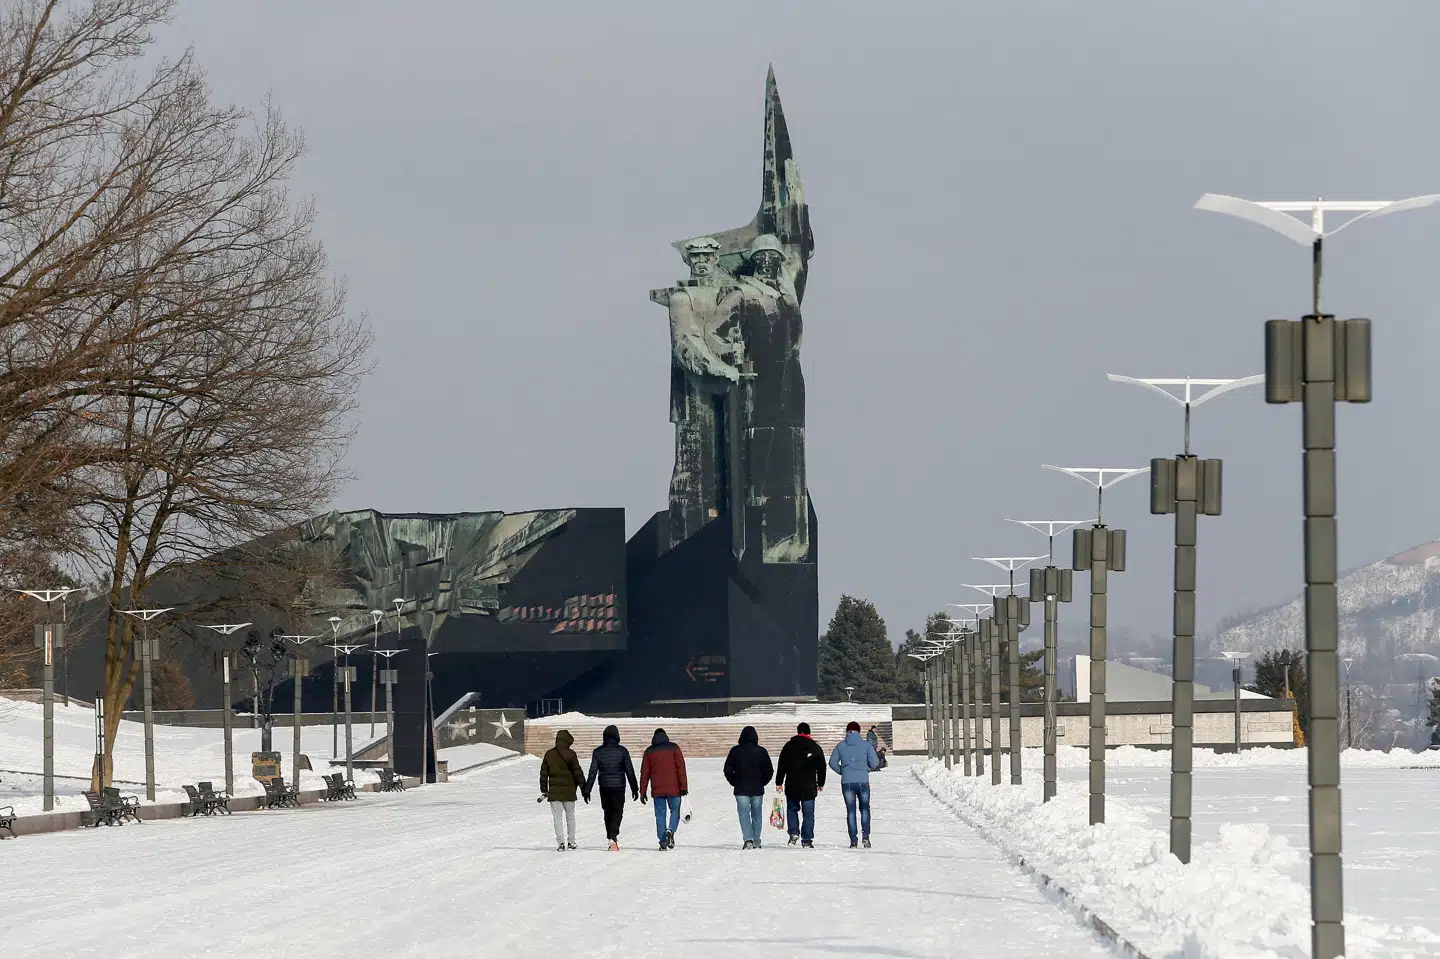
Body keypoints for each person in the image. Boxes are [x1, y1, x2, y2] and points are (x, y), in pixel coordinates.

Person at [585, 724, 640, 851]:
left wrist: (587, 790)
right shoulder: (622, 751)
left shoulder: (598, 752)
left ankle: (611, 837)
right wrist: (635, 788)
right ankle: (613, 836)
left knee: (607, 811)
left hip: (604, 786)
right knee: (617, 811)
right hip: (619, 787)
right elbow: (629, 770)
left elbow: (592, 772)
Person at [829, 720, 881, 849]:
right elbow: (875, 763)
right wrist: (866, 768)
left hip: (847, 782)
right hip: (863, 780)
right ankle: (866, 837)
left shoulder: (841, 745)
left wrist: (843, 771)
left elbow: (832, 763)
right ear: (859, 731)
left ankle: (853, 840)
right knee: (864, 809)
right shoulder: (866, 745)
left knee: (850, 811)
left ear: (847, 731)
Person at [774, 721, 827, 847]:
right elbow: (822, 767)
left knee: (792, 809)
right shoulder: (815, 747)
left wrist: (779, 782)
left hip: (792, 784)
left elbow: (782, 765)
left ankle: (793, 833)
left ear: (798, 732)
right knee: (808, 813)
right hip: (809, 786)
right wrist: (821, 783)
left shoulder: (789, 746)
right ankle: (807, 839)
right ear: (809, 732)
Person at [722, 725, 774, 850]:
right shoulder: (761, 751)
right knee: (757, 814)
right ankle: (756, 840)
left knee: (744, 814)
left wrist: (734, 781)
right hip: (757, 788)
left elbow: (727, 769)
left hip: (741, 788)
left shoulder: (735, 751)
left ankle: (748, 839)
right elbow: (769, 770)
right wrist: (763, 782)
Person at [639, 727, 688, 851]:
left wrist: (642, 791)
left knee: (660, 815)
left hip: (657, 790)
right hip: (674, 788)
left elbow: (645, 773)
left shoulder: (649, 751)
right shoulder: (674, 748)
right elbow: (680, 768)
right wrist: (683, 787)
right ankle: (670, 831)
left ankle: (662, 842)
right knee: (675, 811)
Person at [539, 729, 589, 851]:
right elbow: (578, 772)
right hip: (569, 791)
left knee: (557, 818)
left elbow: (543, 774)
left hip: (554, 792)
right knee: (570, 817)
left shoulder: (549, 754)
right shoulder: (571, 754)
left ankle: (561, 843)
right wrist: (584, 789)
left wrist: (544, 789)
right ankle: (571, 842)